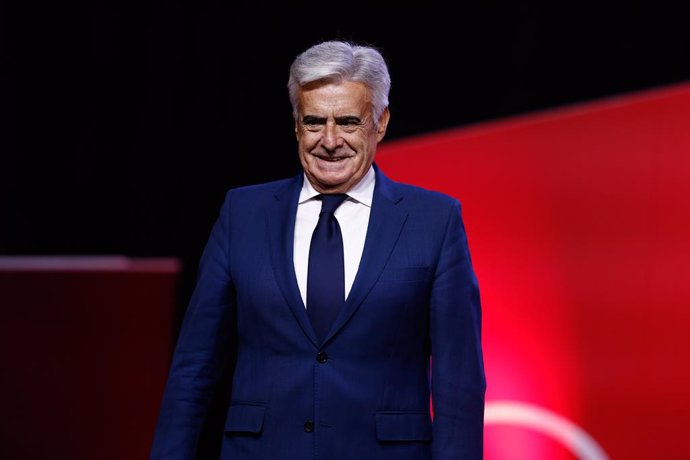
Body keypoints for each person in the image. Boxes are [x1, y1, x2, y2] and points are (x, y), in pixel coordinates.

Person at [150, 40, 486, 460]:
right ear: (295, 125)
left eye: (347, 122)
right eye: (314, 122)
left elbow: (459, 384)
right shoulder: (243, 213)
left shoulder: (434, 220)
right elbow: (194, 369)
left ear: (379, 123)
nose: (330, 140)